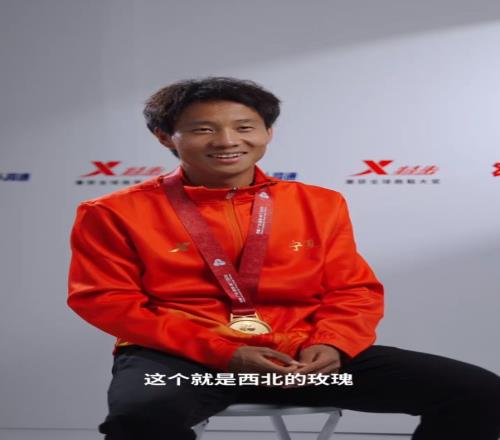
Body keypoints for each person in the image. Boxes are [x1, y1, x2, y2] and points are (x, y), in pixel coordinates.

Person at [67, 77, 500, 440]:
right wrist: (224, 353)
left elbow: (353, 289)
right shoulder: (113, 212)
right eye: (203, 129)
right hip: (184, 361)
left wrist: (333, 343)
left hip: (301, 357)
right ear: (165, 137)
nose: (228, 141)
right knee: (141, 418)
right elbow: (107, 301)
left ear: (267, 133)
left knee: (479, 392)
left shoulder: (320, 203)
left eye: (245, 127)